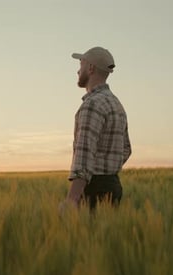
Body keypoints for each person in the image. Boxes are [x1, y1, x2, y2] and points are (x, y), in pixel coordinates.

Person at [60, 46, 131, 211]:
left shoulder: (92, 105)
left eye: (81, 65)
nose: (78, 71)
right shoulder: (116, 104)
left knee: (84, 235)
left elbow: (84, 154)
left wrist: (72, 199)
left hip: (92, 189)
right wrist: (108, 168)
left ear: (90, 68)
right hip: (113, 186)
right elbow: (126, 149)